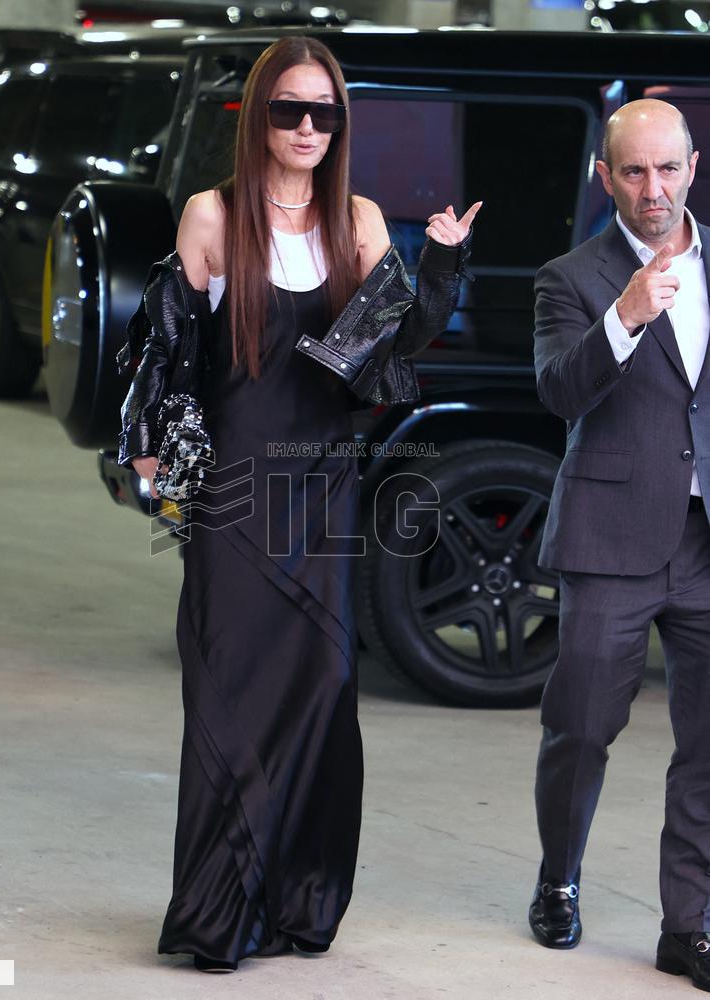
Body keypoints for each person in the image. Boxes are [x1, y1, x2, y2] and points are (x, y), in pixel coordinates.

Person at [116, 36, 478, 973]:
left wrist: (442, 262)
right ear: (258, 116)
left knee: (320, 687)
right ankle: (215, 916)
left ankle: (296, 905)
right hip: (235, 491)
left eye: (325, 112)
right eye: (289, 110)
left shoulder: (357, 220)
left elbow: (401, 341)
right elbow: (171, 347)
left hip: (322, 488)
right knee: (228, 692)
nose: (308, 127)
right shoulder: (212, 214)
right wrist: (150, 449)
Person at [528, 97, 710, 986]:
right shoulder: (569, 278)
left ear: (692, 166)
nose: (653, 189)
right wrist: (624, 318)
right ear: (605, 178)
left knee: (707, 744)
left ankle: (689, 925)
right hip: (609, 540)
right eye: (633, 172)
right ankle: (558, 879)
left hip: (705, 541)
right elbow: (558, 392)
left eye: (667, 168)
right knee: (580, 728)